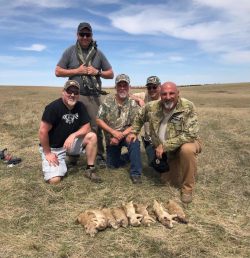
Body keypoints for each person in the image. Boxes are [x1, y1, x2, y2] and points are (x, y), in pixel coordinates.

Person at [127, 82, 203, 203]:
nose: (168, 97)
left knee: (187, 150)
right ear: (160, 95)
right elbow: (139, 117)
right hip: (167, 151)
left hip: (187, 143)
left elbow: (190, 135)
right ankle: (181, 165)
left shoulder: (188, 106)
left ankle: (187, 189)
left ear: (177, 93)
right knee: (168, 182)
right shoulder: (152, 107)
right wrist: (133, 132)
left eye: (171, 93)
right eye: (164, 94)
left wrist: (165, 145)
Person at [55, 22, 114, 168]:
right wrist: (76, 71)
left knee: (95, 126)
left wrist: (97, 72)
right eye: (82, 34)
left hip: (93, 96)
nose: (85, 37)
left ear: (92, 35)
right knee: (74, 125)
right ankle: (73, 156)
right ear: (77, 35)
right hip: (74, 97)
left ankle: (99, 155)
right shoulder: (70, 51)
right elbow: (58, 71)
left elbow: (111, 74)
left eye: (88, 34)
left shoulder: (98, 54)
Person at [38, 80, 102, 184]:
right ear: (63, 91)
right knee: (54, 180)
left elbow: (87, 128)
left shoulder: (80, 106)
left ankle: (90, 169)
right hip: (54, 148)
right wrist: (48, 153)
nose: (72, 95)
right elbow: (42, 132)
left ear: (79, 94)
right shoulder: (53, 108)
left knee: (92, 136)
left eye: (76, 92)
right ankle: (58, 164)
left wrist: (73, 135)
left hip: (70, 144)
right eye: (69, 91)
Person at [96, 74, 142, 184]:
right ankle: (128, 157)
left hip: (126, 135)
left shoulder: (132, 103)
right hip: (111, 139)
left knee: (134, 142)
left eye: (125, 86)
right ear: (115, 87)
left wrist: (120, 135)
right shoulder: (107, 101)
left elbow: (136, 123)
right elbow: (98, 120)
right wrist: (113, 133)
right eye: (119, 85)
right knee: (112, 165)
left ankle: (136, 173)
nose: (122, 88)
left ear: (129, 87)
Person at [130, 76, 161, 165]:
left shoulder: (165, 98)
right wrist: (139, 99)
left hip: (163, 140)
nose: (151, 90)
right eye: (149, 87)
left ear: (160, 87)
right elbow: (129, 95)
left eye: (154, 87)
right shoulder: (145, 95)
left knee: (162, 164)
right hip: (150, 140)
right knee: (153, 164)